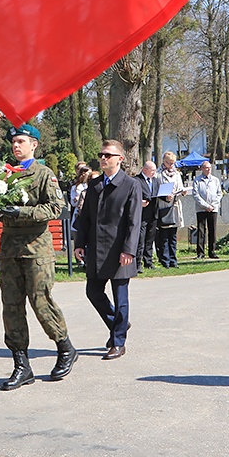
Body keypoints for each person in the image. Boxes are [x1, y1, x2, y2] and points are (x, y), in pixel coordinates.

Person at [0, 124, 76, 390]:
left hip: (36, 249)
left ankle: (65, 347)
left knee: (41, 301)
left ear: (34, 145)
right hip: (10, 249)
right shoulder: (5, 175)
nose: (16, 146)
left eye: (21, 141)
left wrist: (21, 212)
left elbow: (56, 207)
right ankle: (22, 365)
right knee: (11, 306)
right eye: (14, 142)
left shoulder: (43, 174)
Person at [75, 140, 142, 360]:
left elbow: (134, 222)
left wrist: (129, 250)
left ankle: (118, 341)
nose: (104, 158)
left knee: (120, 296)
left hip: (119, 250)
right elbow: (84, 219)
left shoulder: (131, 185)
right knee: (93, 292)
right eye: (101, 154)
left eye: (109, 155)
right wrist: (78, 244)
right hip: (96, 249)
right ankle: (118, 323)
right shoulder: (94, 186)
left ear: (120, 159)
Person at [155, 151, 185, 268]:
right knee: (164, 235)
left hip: (175, 205)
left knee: (173, 235)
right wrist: (165, 196)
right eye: (169, 163)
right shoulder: (158, 174)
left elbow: (180, 186)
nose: (171, 165)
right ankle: (165, 260)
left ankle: (173, 259)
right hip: (164, 206)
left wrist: (181, 192)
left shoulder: (177, 174)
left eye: (173, 163)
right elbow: (156, 191)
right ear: (164, 162)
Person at [192, 160, 222, 259]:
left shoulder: (215, 180)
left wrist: (212, 205)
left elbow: (219, 194)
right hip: (201, 209)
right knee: (201, 230)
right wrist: (205, 206)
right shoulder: (197, 180)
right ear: (202, 169)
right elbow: (196, 195)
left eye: (209, 168)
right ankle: (200, 252)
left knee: (212, 230)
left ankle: (212, 251)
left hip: (213, 209)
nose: (208, 169)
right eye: (206, 168)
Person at [134, 161, 159, 271]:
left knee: (150, 239)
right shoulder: (136, 180)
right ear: (145, 170)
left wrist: (167, 197)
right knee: (140, 240)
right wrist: (140, 202)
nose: (154, 173)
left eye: (155, 170)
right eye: (152, 170)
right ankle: (138, 263)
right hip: (142, 215)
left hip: (153, 214)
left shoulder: (155, 180)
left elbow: (158, 194)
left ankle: (148, 262)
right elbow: (133, 197)